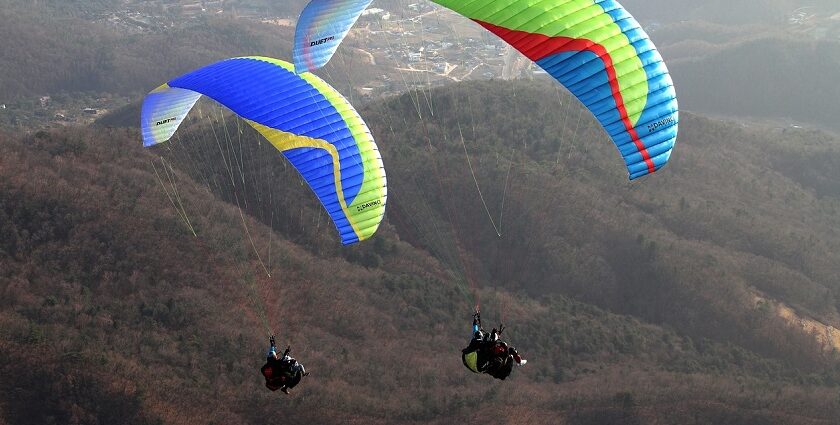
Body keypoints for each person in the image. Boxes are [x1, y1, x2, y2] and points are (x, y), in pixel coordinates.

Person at [462, 310, 526, 380]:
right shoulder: (487, 348)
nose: (498, 347)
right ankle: (519, 361)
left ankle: (519, 361)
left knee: (480, 339)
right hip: (474, 362)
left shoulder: (487, 349)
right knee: (481, 341)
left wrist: (475, 322)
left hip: (469, 359)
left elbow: (476, 333)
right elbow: (478, 335)